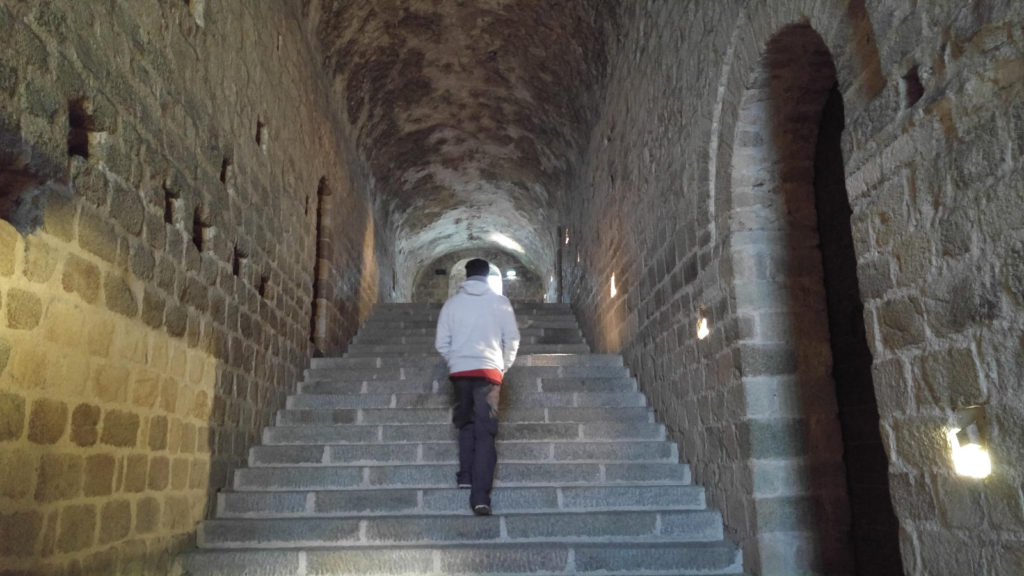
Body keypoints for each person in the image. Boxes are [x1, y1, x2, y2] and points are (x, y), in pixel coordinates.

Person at [435, 258, 520, 516]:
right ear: (486, 276)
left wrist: (456, 361)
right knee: (486, 432)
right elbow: (512, 339)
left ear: (466, 276)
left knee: (465, 422)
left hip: (460, 372)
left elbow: (441, 342)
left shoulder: (452, 305)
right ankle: (480, 498)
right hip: (489, 372)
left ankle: (465, 476)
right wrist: (501, 366)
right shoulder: (501, 303)